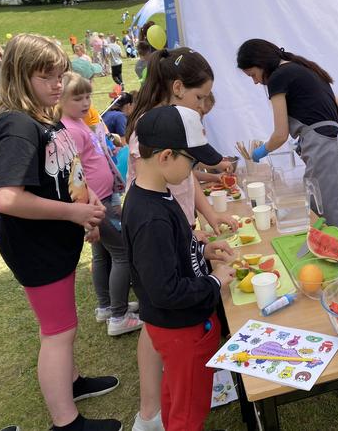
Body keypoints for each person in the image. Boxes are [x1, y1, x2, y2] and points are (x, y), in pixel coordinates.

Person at [0, 33, 121, 430]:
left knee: (65, 324)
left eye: (61, 74)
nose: (58, 84)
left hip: (53, 236)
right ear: (19, 75)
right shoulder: (15, 124)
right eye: (47, 77)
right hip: (33, 244)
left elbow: (67, 170)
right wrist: (72, 213)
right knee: (58, 332)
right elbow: (6, 198)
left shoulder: (45, 115)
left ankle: (72, 382)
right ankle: (66, 423)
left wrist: (89, 206)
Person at [125, 47, 238, 431]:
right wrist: (214, 280)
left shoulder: (160, 194)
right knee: (189, 414)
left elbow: (178, 248)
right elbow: (165, 291)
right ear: (166, 156)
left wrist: (204, 249)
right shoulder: (150, 217)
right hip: (181, 329)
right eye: (191, 162)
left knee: (178, 397)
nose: (194, 170)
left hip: (184, 328)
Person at [237, 39, 338, 228]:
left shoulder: (278, 77)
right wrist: (316, 132)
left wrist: (261, 152)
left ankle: (331, 255)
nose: (256, 82)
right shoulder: (303, 67)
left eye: (253, 75)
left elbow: (280, 134)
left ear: (261, 63)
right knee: (326, 211)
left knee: (322, 218)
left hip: (327, 151)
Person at [60, 72, 143, 337]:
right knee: (122, 254)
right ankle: (118, 316)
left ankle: (107, 306)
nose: (85, 102)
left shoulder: (78, 121)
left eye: (88, 96)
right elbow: (76, 174)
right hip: (97, 202)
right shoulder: (70, 129)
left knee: (103, 254)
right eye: (78, 98)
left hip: (103, 197)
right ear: (60, 99)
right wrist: (91, 215)